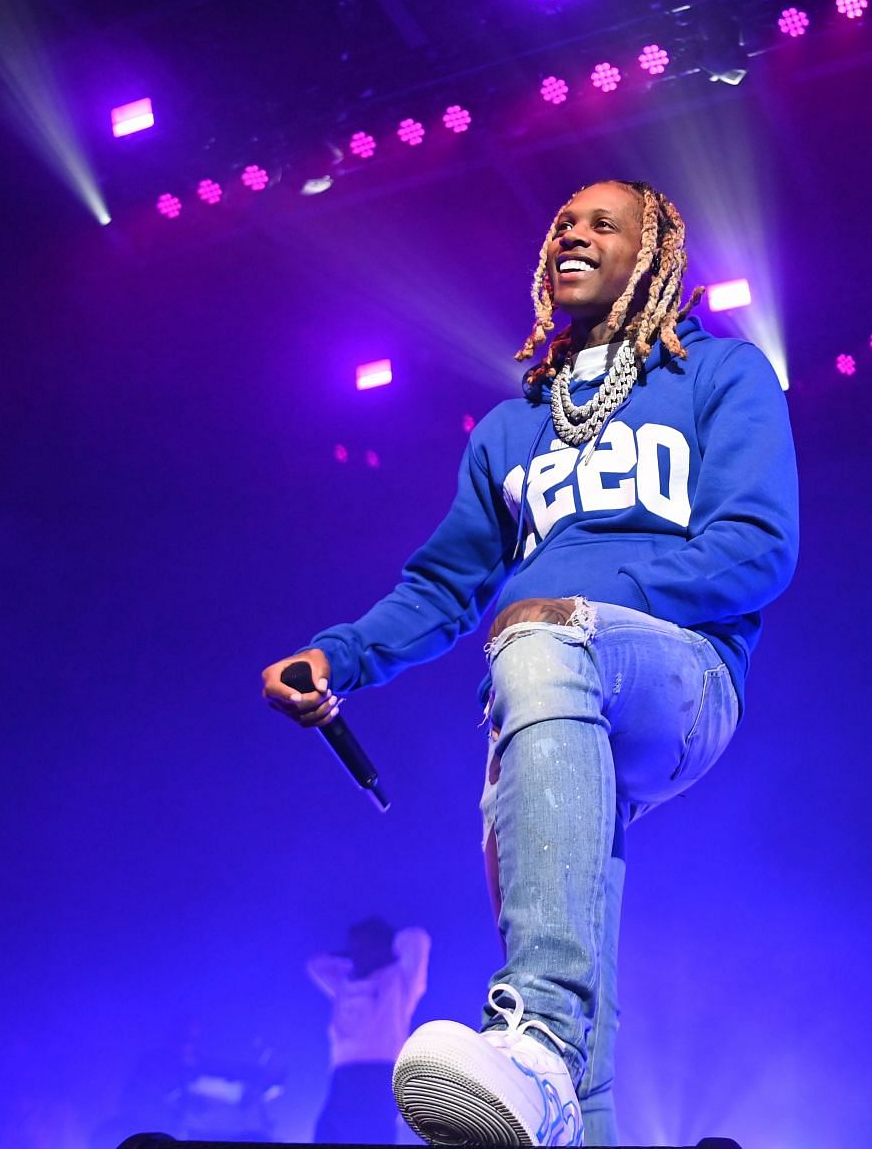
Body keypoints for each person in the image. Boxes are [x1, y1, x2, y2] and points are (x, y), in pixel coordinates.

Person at [260, 179, 798, 1146]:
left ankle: (537, 1026)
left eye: (605, 225)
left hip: (677, 681)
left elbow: (758, 545)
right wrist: (337, 653)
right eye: (561, 225)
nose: (574, 237)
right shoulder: (512, 429)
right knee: (574, 978)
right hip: (538, 697)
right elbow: (442, 583)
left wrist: (581, 605)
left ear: (659, 257)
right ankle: (562, 1070)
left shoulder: (722, 375)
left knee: (541, 638)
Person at [307, 917, 430, 1143]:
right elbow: (317, 965)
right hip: (342, 1073)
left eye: (363, 945)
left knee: (372, 1136)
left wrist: (383, 950)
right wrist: (356, 957)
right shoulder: (346, 984)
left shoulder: (399, 980)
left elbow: (417, 938)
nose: (358, 951)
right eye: (354, 946)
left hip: (380, 1072)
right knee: (328, 1136)